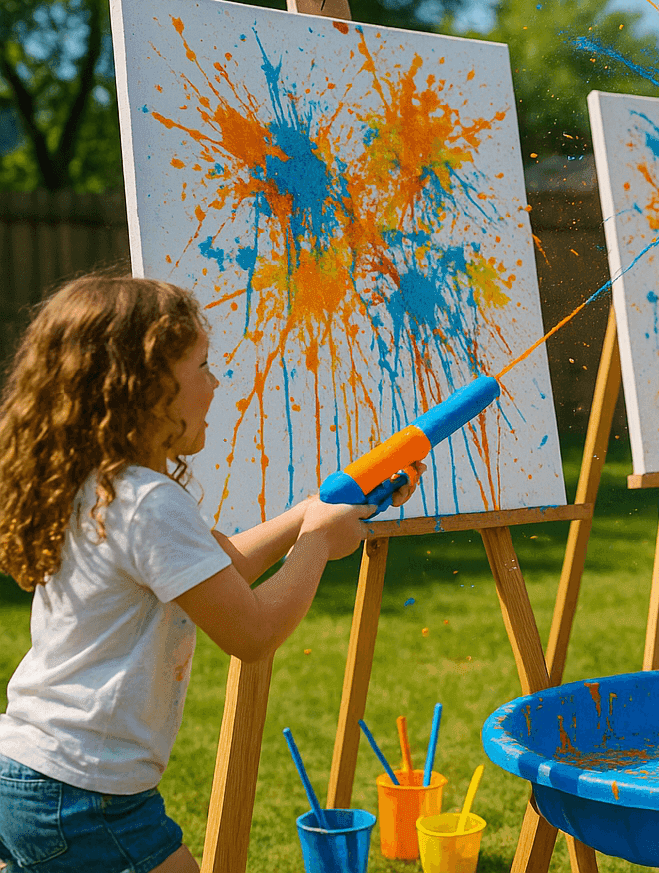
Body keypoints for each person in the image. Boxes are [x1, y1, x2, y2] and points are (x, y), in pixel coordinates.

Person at [0, 276, 422, 873]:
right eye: (201, 367)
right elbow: (250, 633)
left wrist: (317, 508)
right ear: (144, 388)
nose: (216, 383)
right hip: (88, 792)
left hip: (29, 769)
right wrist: (319, 544)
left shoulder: (95, 485)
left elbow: (219, 570)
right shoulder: (148, 501)